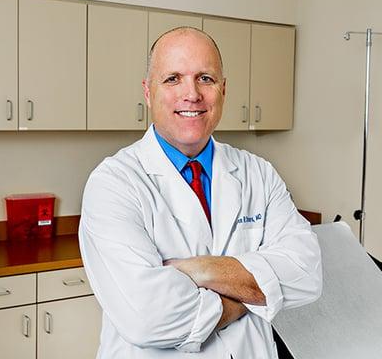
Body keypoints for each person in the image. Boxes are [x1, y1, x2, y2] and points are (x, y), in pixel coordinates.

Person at [79, 27, 322, 358]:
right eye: (173, 79)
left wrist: (199, 269)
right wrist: (247, 299)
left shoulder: (258, 174)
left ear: (223, 89)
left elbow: (306, 276)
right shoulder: (114, 183)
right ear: (148, 92)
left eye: (205, 78)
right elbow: (148, 317)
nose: (191, 94)